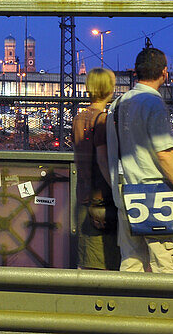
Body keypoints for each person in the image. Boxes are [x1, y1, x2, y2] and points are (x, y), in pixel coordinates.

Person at [107, 46, 173, 272]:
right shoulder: (153, 103)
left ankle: (130, 306)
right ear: (164, 73)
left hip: (125, 193)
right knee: (165, 264)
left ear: (136, 72)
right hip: (154, 195)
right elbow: (164, 153)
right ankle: (166, 306)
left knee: (131, 262)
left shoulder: (118, 104)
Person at [72, 67, 119, 270]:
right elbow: (102, 160)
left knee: (87, 260)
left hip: (83, 195)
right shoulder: (103, 119)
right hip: (101, 199)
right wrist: (118, 191)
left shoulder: (79, 118)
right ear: (108, 89)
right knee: (104, 261)